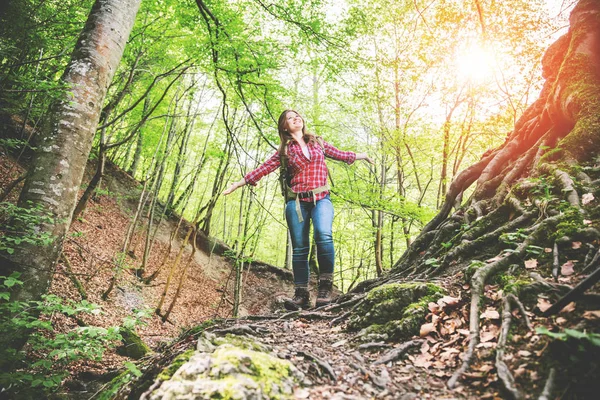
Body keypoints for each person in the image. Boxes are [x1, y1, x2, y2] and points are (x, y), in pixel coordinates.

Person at [223, 109, 373, 310]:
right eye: (290, 118)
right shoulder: (284, 151)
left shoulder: (317, 142)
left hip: (321, 198)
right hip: (297, 203)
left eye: (298, 115)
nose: (296, 118)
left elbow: (341, 154)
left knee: (324, 235)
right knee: (300, 248)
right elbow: (262, 169)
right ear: (284, 126)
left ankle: (325, 289)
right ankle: (301, 294)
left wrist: (363, 156)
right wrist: (237, 184)